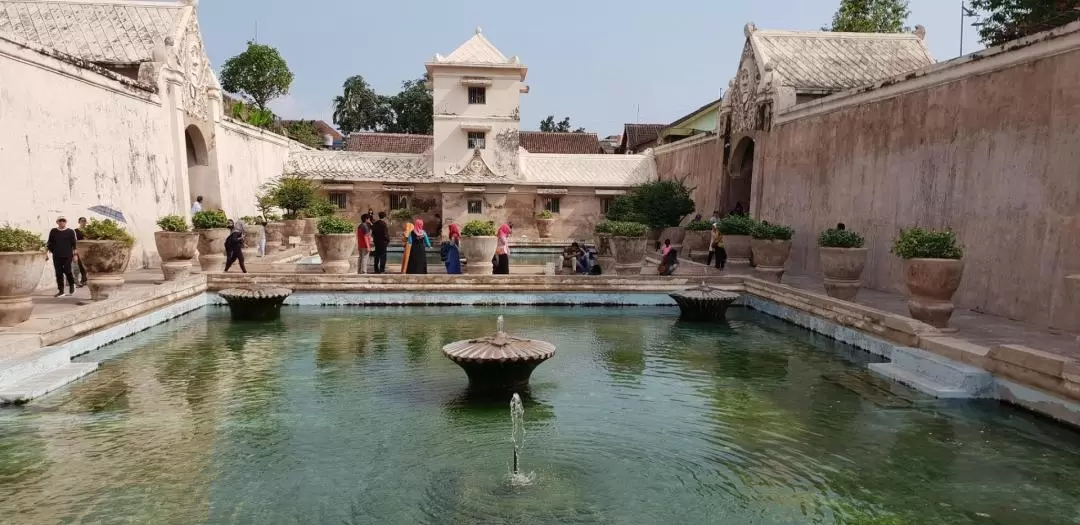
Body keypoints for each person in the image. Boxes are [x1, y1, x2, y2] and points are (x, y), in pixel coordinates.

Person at [46, 216, 78, 297]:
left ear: (65, 222)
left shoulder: (70, 231)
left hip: (67, 255)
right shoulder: (53, 231)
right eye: (60, 221)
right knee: (58, 273)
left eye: (63, 221)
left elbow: (74, 244)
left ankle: (72, 284)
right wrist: (46, 252)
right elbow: (49, 242)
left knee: (67, 271)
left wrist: (75, 255)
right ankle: (61, 291)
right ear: (57, 222)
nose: (62, 222)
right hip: (56, 255)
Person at [73, 217, 88, 287]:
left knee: (87, 265)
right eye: (82, 221)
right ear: (79, 222)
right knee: (80, 264)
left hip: (88, 249)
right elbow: (74, 241)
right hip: (80, 249)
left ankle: (84, 279)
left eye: (84, 221)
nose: (83, 222)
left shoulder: (89, 230)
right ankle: (83, 279)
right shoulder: (76, 231)